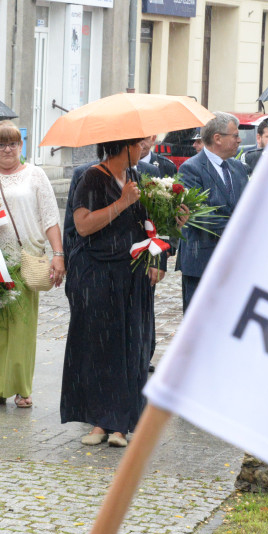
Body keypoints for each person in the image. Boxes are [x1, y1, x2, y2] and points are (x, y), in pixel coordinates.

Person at [60, 138, 167, 448]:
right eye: (140, 142)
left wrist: (175, 220)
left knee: (132, 348)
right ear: (126, 146)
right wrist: (122, 203)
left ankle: (121, 424)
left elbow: (150, 225)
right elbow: (82, 226)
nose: (146, 145)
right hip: (98, 274)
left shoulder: (136, 177)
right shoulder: (93, 177)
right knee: (101, 348)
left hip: (132, 275)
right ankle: (99, 422)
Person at [0, 121, 63, 408]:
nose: (7, 149)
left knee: (22, 326)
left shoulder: (35, 176)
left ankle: (21, 388)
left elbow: (50, 217)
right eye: (1, 144)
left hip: (24, 259)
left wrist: (58, 253)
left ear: (21, 146)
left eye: (12, 143)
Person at [175, 112, 249, 313]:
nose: (239, 140)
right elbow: (198, 216)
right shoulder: (191, 169)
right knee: (199, 325)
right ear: (218, 138)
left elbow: (247, 207)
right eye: (235, 135)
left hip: (234, 263)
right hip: (202, 261)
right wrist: (241, 228)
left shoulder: (238, 168)